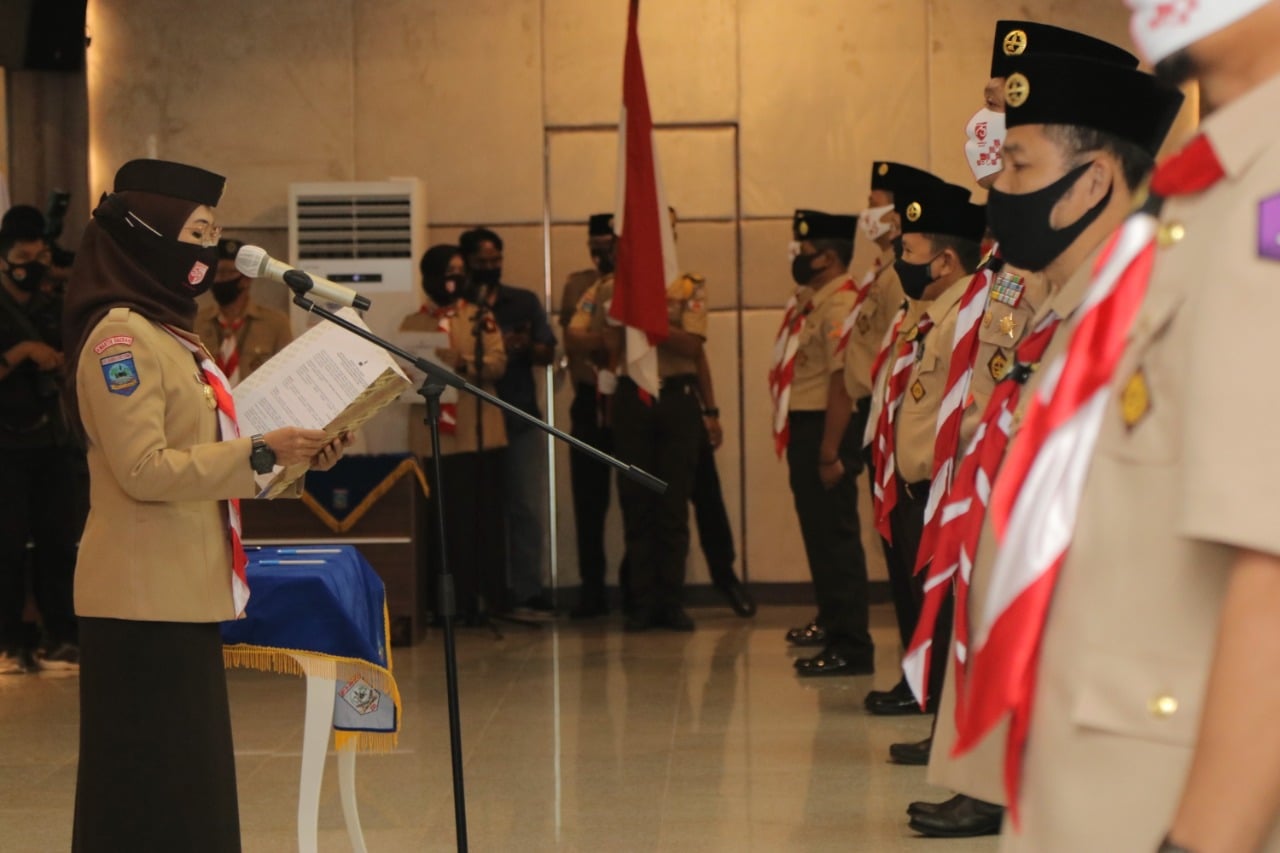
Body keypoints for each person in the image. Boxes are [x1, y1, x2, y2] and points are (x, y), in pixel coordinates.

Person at [955, 3, 1280, 848]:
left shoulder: (1263, 198)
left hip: (1166, 798)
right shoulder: (1205, 199)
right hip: (1097, 776)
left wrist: (1201, 838)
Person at [903, 20, 1148, 836]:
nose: (996, 184)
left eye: (1016, 163)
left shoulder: (1133, 323)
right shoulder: (1064, 301)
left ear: (1090, 183)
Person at [63, 159, 350, 852]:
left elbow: (209, 457)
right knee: (146, 795)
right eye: (196, 233)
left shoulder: (172, 337)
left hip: (180, 593)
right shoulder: (119, 339)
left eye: (214, 236)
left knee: (188, 792)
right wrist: (257, 452)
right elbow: (143, 469)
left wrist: (293, 452)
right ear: (149, 238)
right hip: (138, 599)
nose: (207, 254)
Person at [865, 180, 985, 713]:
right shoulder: (923, 311)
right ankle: (927, 699)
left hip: (945, 491)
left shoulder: (974, 314)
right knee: (923, 607)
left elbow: (979, 403)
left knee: (948, 610)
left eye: (909, 252)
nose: (900, 262)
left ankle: (941, 709)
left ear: (944, 262)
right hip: (911, 488)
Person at [567, 230, 706, 632]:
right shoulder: (610, 287)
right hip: (630, 400)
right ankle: (643, 602)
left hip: (675, 400)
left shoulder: (689, 285)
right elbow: (575, 334)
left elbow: (693, 347)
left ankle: (672, 601)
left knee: (673, 504)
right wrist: (610, 333)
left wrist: (648, 321)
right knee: (636, 503)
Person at [770, 210, 874, 675]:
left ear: (828, 257)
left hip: (826, 429)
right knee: (819, 535)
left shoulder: (840, 306)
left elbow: (841, 386)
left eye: (804, 252)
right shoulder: (816, 299)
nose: (797, 258)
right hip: (808, 427)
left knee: (836, 538)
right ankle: (833, 626)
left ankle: (852, 644)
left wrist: (831, 451)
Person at [400, 244, 508, 624]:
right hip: (432, 440)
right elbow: (401, 374)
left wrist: (462, 361)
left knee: (479, 521)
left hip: (476, 433)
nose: (455, 277)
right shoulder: (414, 323)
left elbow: (497, 363)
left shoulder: (479, 317)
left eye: (461, 269)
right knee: (440, 524)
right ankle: (441, 605)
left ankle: (480, 599)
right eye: (447, 270)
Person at [0, 204, 85, 673]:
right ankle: (10, 642)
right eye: (22, 258)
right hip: (5, 447)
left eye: (39, 257)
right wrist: (20, 353)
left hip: (52, 441)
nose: (31, 267)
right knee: (6, 547)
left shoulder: (56, 304)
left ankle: (62, 639)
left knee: (58, 542)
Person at [461, 227, 558, 619]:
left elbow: (548, 351)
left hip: (518, 417)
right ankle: (484, 595)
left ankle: (527, 592)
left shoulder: (523, 301)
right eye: (482, 262)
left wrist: (524, 346)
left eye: (495, 260)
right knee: (478, 511)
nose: (490, 268)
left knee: (526, 508)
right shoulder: (461, 306)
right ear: (468, 263)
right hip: (473, 423)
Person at [559, 213, 619, 619]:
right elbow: (572, 339)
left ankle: (639, 588)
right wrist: (608, 340)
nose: (600, 253)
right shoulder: (579, 284)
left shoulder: (640, 282)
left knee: (636, 502)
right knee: (589, 502)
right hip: (587, 399)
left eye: (608, 244)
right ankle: (592, 589)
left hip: (628, 402)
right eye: (594, 245)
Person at [194, 237, 292, 386]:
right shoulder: (196, 323)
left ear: (246, 278)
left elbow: (287, 376)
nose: (221, 280)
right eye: (217, 273)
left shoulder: (276, 324)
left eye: (228, 273)